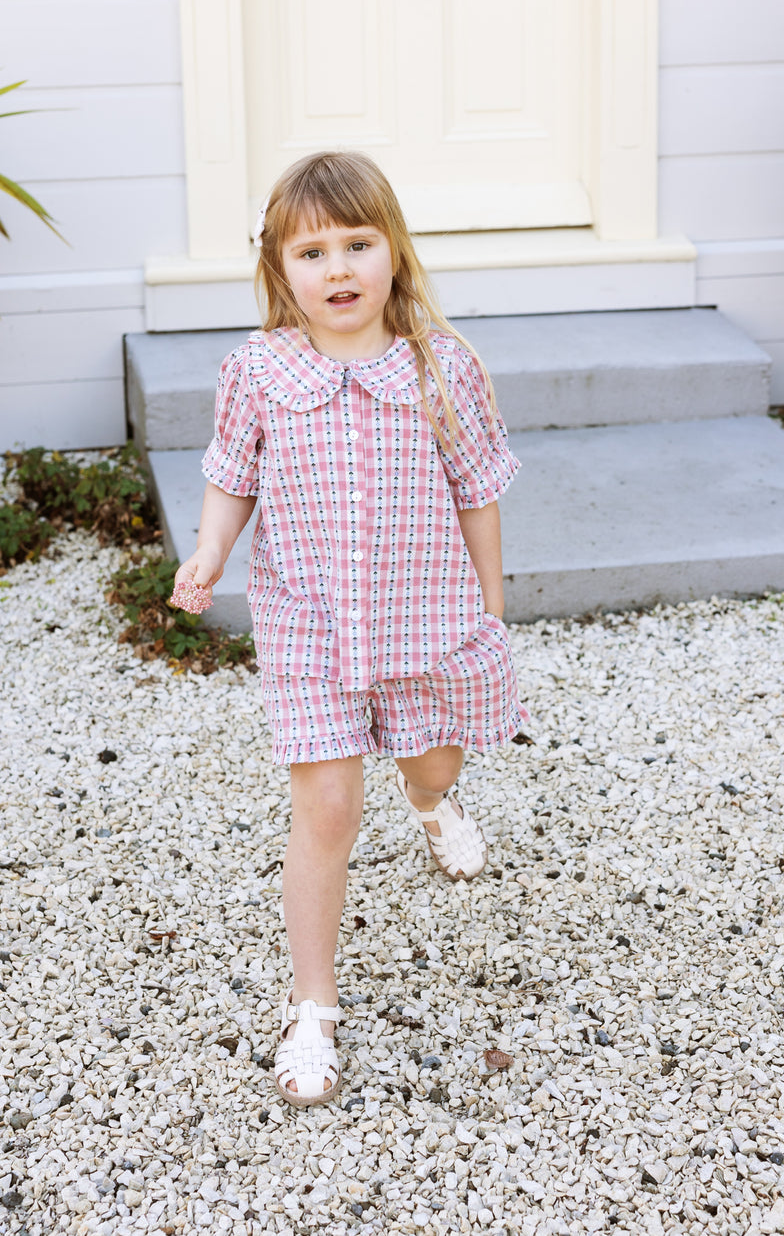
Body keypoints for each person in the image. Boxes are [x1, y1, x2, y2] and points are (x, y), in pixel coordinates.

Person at [173, 150, 527, 1108]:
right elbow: (230, 475)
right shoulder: (258, 372)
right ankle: (313, 1008)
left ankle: (432, 805)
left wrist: (489, 609)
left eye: (358, 244)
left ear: (394, 254)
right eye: (312, 250)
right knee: (327, 809)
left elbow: (479, 492)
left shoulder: (442, 367)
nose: (338, 269)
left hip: (425, 619)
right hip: (310, 630)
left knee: (435, 764)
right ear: (280, 270)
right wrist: (208, 552)